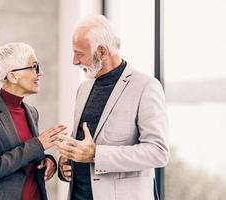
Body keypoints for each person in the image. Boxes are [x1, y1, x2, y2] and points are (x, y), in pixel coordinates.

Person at [56, 15, 169, 200]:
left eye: (79, 53)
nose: (74, 61)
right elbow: (84, 143)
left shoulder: (146, 86)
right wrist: (67, 161)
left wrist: (96, 154)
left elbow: (158, 152)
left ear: (101, 52)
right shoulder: (84, 88)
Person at [0, 42, 66, 200]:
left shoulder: (32, 112)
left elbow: (27, 156)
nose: (40, 73)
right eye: (34, 67)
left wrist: (47, 161)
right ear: (13, 76)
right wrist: (38, 144)